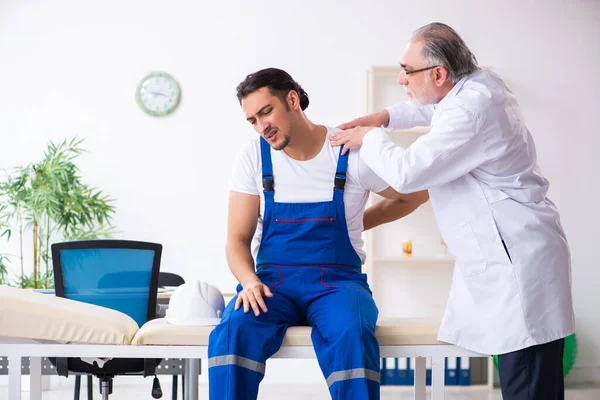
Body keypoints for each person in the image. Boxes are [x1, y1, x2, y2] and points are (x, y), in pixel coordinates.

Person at [330, 22, 575, 400]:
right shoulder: (475, 88)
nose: (401, 80)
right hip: (516, 251)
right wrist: (383, 117)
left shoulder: (472, 110)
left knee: (527, 383)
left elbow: (408, 174)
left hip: (517, 259)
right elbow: (430, 112)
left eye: (407, 71)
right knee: (528, 379)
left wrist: (371, 137)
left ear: (439, 73)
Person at [207, 67, 428, 400]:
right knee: (231, 332)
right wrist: (250, 281)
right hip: (270, 285)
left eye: (266, 112)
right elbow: (237, 240)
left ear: (292, 100)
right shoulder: (253, 156)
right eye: (252, 120)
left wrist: (358, 222)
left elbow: (413, 195)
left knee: (352, 332)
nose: (261, 126)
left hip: (338, 285)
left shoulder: (348, 150)